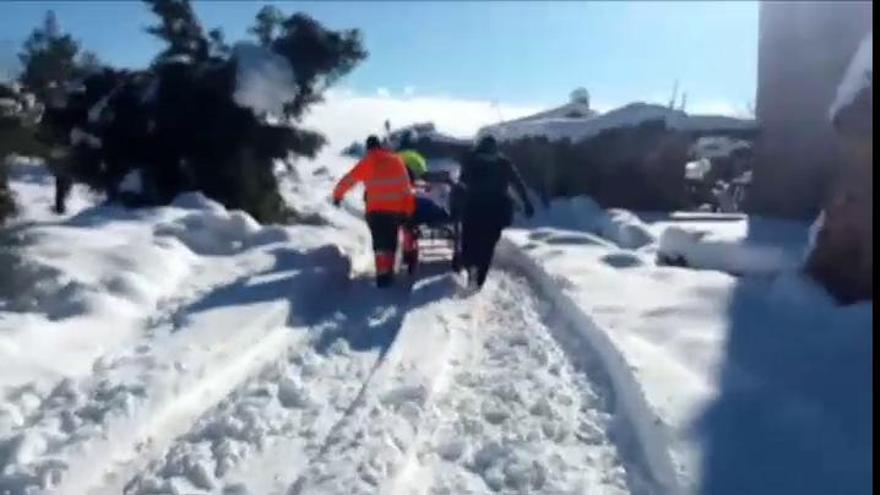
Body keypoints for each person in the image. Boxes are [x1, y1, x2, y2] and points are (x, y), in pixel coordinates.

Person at [333, 135, 416, 288]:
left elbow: (349, 179)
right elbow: (406, 189)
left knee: (379, 242)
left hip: (375, 212)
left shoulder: (368, 162)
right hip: (394, 211)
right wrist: (408, 211)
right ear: (381, 146)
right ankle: (388, 272)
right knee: (391, 241)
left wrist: (337, 195)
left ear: (368, 148)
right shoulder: (396, 161)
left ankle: (381, 273)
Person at [458, 134, 534, 288]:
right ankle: (479, 279)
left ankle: (470, 266)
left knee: (470, 241)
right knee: (488, 245)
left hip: (473, 208)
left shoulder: (471, 160)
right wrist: (526, 203)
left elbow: (462, 183)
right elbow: (518, 184)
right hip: (497, 210)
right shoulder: (504, 163)